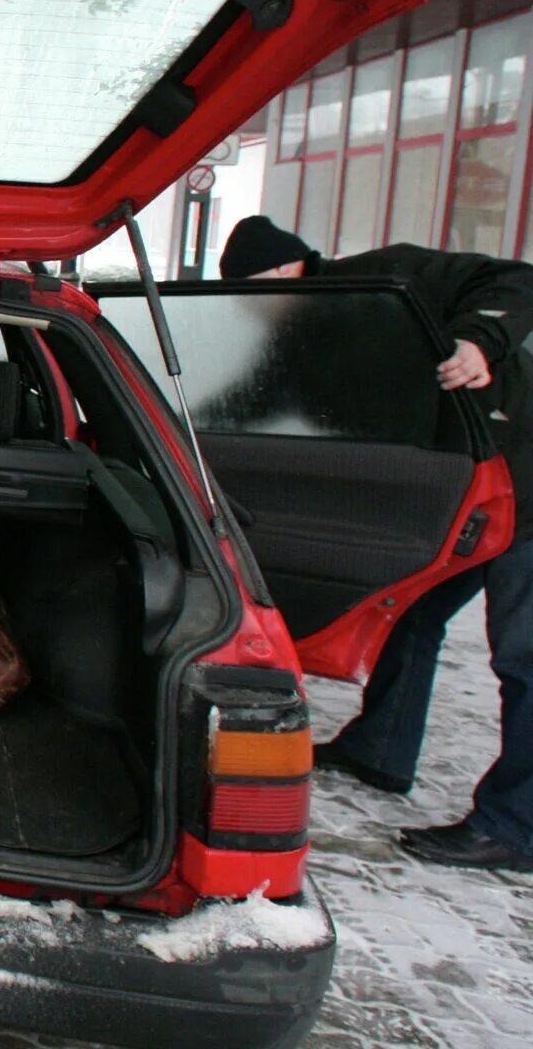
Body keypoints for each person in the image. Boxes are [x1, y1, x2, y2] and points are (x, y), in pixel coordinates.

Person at [220, 215, 533, 872]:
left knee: (524, 655)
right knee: (412, 616)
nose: (249, 310)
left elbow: (515, 279)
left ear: (285, 270)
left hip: (526, 483)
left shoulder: (390, 276)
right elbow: (249, 401)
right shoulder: (301, 333)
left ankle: (517, 826)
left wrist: (480, 341)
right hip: (465, 497)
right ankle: (381, 750)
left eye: (251, 293)